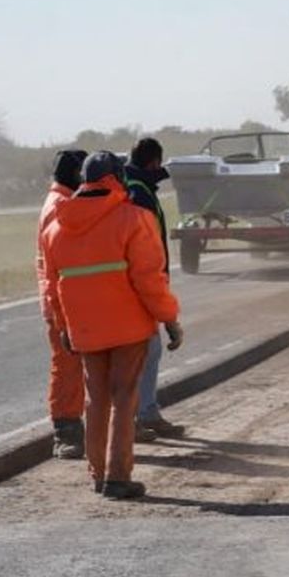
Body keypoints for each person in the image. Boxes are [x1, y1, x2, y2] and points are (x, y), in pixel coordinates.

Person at [40, 151, 183, 500]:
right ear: (116, 178)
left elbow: (52, 286)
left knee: (96, 399)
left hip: (85, 330)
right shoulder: (135, 218)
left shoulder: (56, 228)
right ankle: (119, 476)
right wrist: (169, 318)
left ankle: (98, 475)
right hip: (129, 328)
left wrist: (62, 327)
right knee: (123, 399)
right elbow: (149, 278)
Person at [125, 137, 184, 442]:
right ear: (154, 162)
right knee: (144, 353)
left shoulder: (136, 186)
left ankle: (145, 413)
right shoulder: (139, 194)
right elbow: (146, 252)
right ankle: (137, 417)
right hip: (139, 285)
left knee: (149, 351)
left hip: (137, 283)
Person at [37, 149, 88, 459]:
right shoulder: (60, 207)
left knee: (70, 366)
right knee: (67, 367)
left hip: (63, 299)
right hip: (62, 302)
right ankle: (66, 432)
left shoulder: (59, 200)